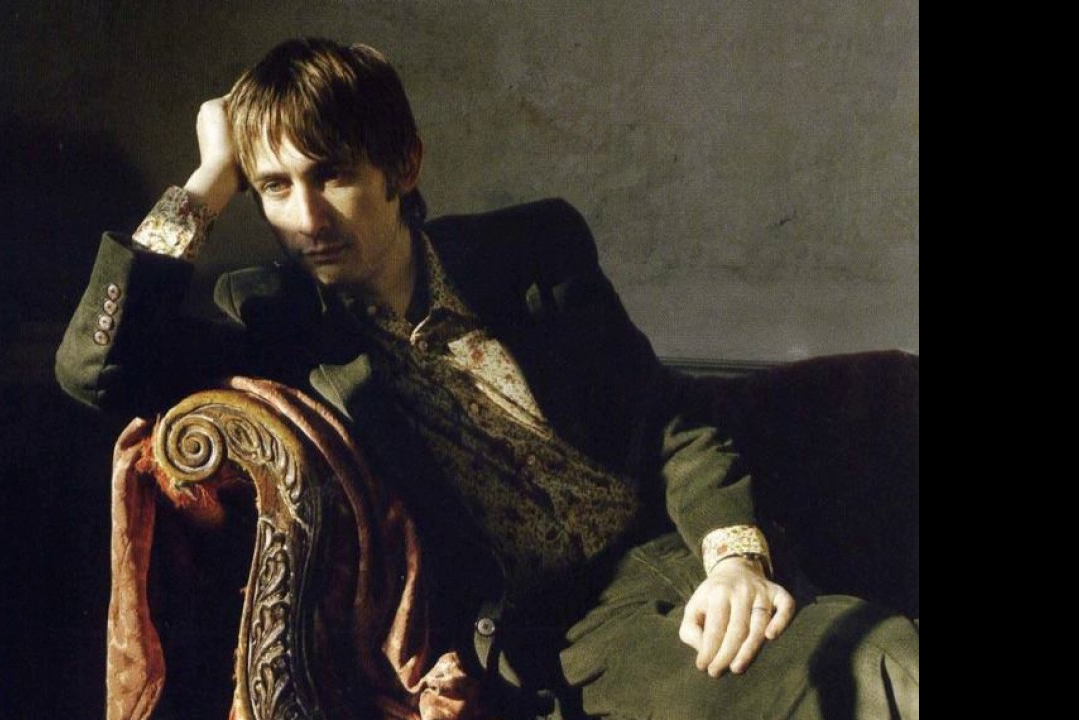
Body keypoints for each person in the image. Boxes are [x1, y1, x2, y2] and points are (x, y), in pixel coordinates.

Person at [57, 37, 917, 720]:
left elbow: (669, 421)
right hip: (564, 634)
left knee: (889, 654)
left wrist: (734, 559)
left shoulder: (532, 252)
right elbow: (93, 372)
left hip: (684, 555)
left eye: (333, 175)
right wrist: (207, 184)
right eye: (274, 187)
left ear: (403, 166)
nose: (307, 217)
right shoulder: (276, 323)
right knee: (861, 673)